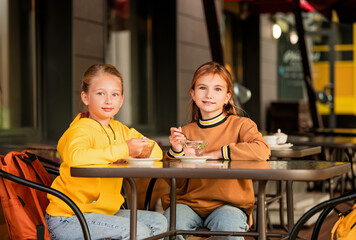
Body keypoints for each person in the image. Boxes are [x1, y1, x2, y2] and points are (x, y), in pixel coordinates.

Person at [45, 63, 167, 240]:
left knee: (158, 222)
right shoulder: (80, 129)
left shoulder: (120, 130)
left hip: (105, 212)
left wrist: (136, 152)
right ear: (85, 97)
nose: (108, 100)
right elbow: (76, 157)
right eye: (100, 93)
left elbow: (154, 151)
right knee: (137, 231)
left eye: (115, 94)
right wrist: (125, 150)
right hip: (70, 217)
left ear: (122, 99)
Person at [162, 61, 271, 240]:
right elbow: (177, 182)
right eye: (202, 88)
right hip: (188, 203)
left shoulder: (241, 125)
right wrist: (176, 152)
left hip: (230, 204)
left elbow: (262, 150)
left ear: (228, 96)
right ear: (193, 94)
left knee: (228, 229)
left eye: (218, 89)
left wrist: (219, 153)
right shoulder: (186, 132)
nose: (209, 95)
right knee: (168, 226)